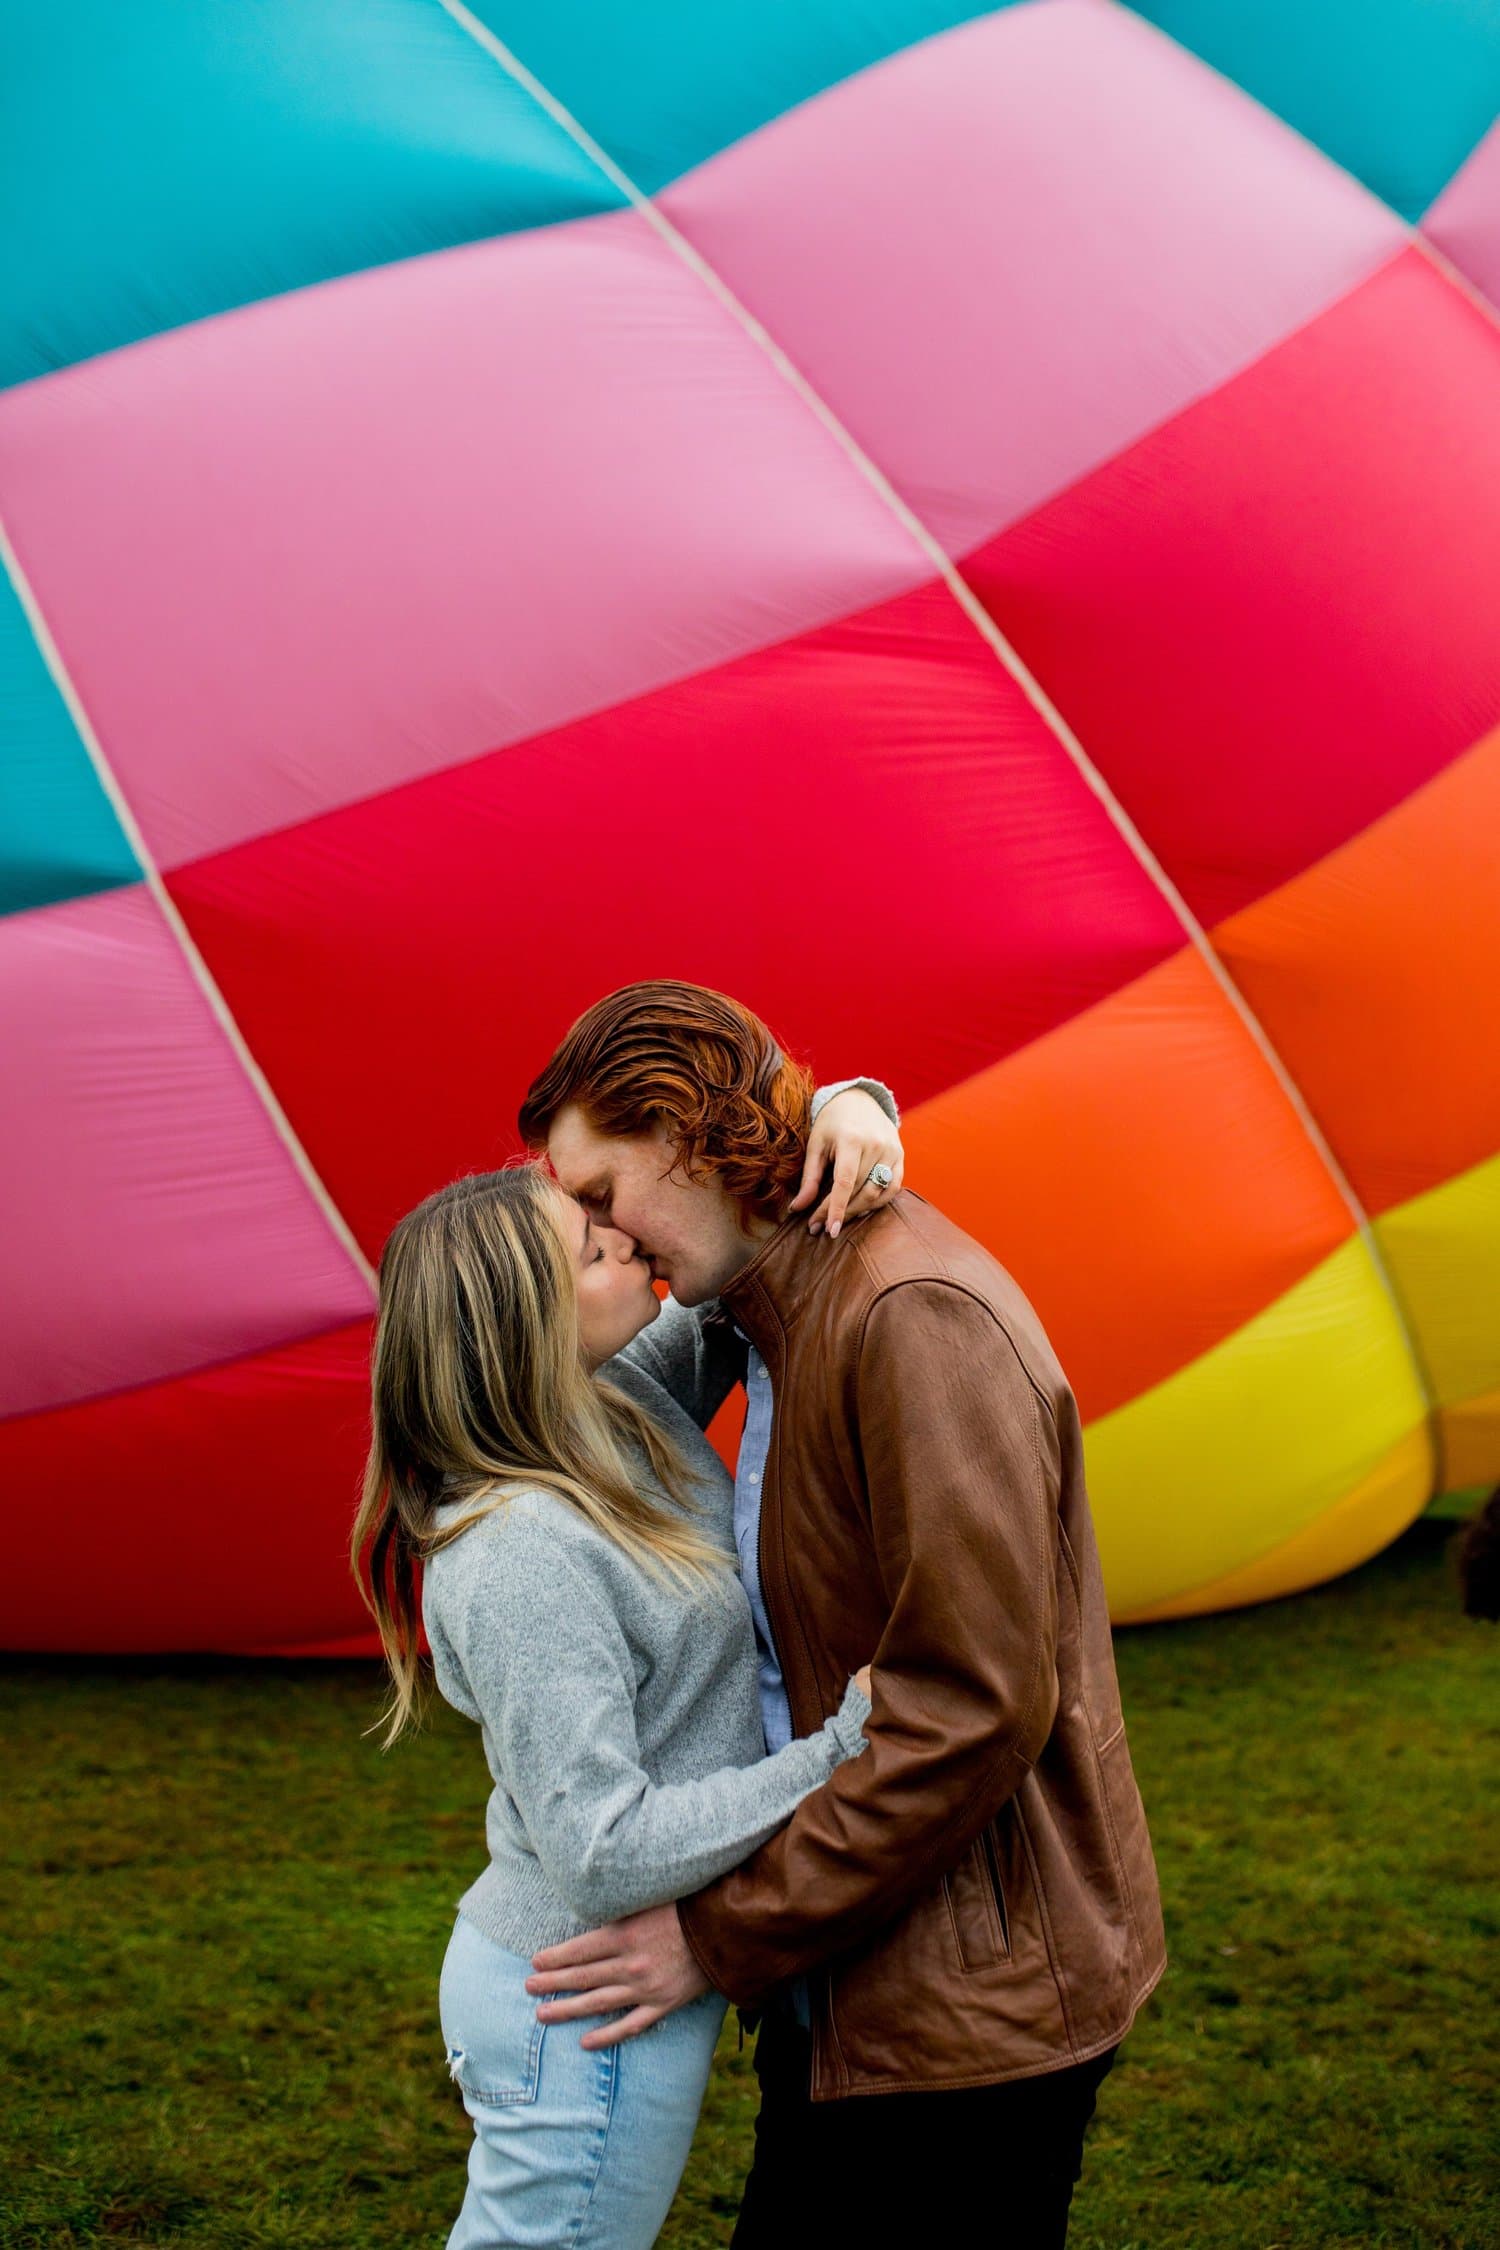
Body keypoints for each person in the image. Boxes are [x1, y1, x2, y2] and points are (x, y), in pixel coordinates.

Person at [520, 980, 1168, 2249]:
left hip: (964, 2021)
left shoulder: (908, 1314)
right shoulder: (772, 1304)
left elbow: (969, 1707)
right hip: (865, 1980)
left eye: (600, 1193)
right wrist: (855, 1098)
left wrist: (719, 1937)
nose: (601, 1234)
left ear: (686, 1135)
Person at [351, 1078, 905, 2249]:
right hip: (579, 2001)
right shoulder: (518, 1552)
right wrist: (836, 1755)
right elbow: (602, 1851)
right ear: (530, 1326)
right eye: (592, 1248)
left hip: (604, 1993)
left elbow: (738, 1262)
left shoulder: (612, 1403)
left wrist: (853, 1109)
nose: (626, 1237)